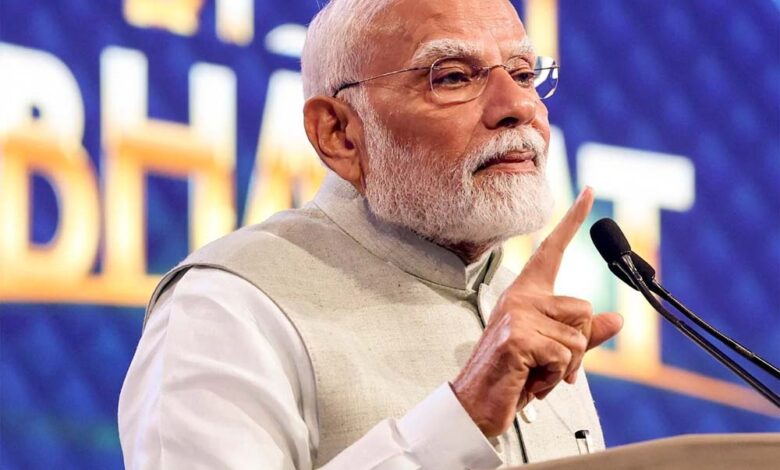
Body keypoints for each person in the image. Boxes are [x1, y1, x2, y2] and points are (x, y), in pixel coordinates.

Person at [118, 0, 624, 468]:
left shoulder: (524, 308)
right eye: (452, 77)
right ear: (338, 133)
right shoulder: (229, 305)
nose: (518, 105)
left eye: (523, 74)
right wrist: (462, 417)